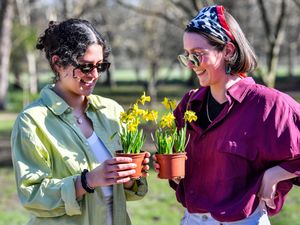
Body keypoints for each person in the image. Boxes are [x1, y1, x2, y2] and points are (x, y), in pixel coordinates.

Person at [153, 5, 300, 225]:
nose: (191, 65)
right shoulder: (189, 105)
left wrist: (274, 175)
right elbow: (182, 167)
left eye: (198, 55)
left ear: (228, 51)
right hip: (192, 220)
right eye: (187, 56)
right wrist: (173, 170)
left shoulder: (269, 105)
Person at [11, 18, 150, 225]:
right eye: (85, 67)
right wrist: (87, 181)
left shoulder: (111, 111)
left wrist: (130, 176)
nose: (94, 75)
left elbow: (130, 192)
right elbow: (32, 195)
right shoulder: (32, 121)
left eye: (100, 66)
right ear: (58, 63)